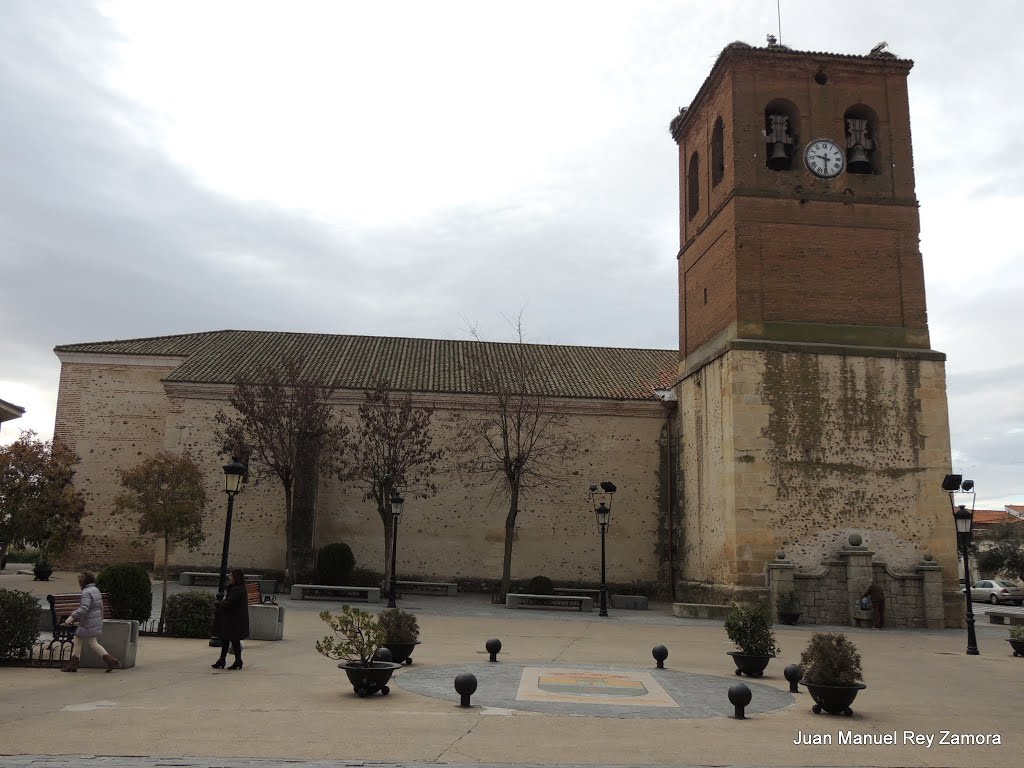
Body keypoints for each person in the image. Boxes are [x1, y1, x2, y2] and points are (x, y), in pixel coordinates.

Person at [60, 571, 120, 672]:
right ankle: (109, 661)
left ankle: (74, 664)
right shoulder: (95, 589)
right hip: (94, 620)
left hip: (88, 622)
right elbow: (100, 607)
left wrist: (71, 617)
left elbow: (84, 608)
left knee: (87, 642)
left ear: (83, 581)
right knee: (86, 641)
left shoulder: (86, 592)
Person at [212, 568, 250, 670]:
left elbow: (230, 603)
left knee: (231, 640)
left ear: (236, 577)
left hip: (234, 621)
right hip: (233, 620)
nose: (229, 577)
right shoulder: (237, 588)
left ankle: (232, 660)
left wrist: (220, 603)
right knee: (229, 640)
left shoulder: (237, 589)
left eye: (231, 576)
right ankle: (227, 660)